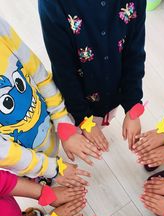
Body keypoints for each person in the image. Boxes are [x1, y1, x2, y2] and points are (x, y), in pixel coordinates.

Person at [0, 16, 101, 187]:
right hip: (21, 158)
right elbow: (7, 154)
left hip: (48, 123)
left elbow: (37, 71)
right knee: (33, 173)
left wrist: (62, 121)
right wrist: (50, 169)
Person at [38, 0, 146, 151]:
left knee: (98, 126)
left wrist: (132, 104)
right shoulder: (53, 3)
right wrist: (82, 118)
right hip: (75, 98)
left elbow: (134, 50)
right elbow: (63, 67)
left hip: (110, 90)